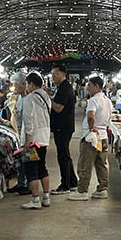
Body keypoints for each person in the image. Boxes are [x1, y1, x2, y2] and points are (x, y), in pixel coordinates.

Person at [69, 76, 111, 201]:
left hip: (91, 137)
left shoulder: (93, 100)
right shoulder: (107, 101)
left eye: (90, 86)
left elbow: (91, 116)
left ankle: (82, 191)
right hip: (103, 136)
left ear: (97, 86)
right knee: (102, 165)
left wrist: (92, 128)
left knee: (85, 165)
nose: (87, 88)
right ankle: (102, 189)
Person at [20, 72, 53, 209]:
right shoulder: (46, 97)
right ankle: (46, 197)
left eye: (27, 84)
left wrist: (27, 141)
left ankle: (35, 200)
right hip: (44, 138)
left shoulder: (29, 99)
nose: (27, 87)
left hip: (33, 139)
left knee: (31, 169)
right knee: (42, 167)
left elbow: (29, 121)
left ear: (32, 84)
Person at [49, 65, 78, 194]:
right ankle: (72, 182)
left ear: (63, 74)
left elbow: (58, 108)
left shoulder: (65, 88)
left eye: (55, 74)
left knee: (63, 156)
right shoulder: (63, 87)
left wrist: (47, 99)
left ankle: (65, 186)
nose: (53, 77)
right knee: (65, 155)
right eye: (52, 74)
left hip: (62, 127)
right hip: (64, 126)